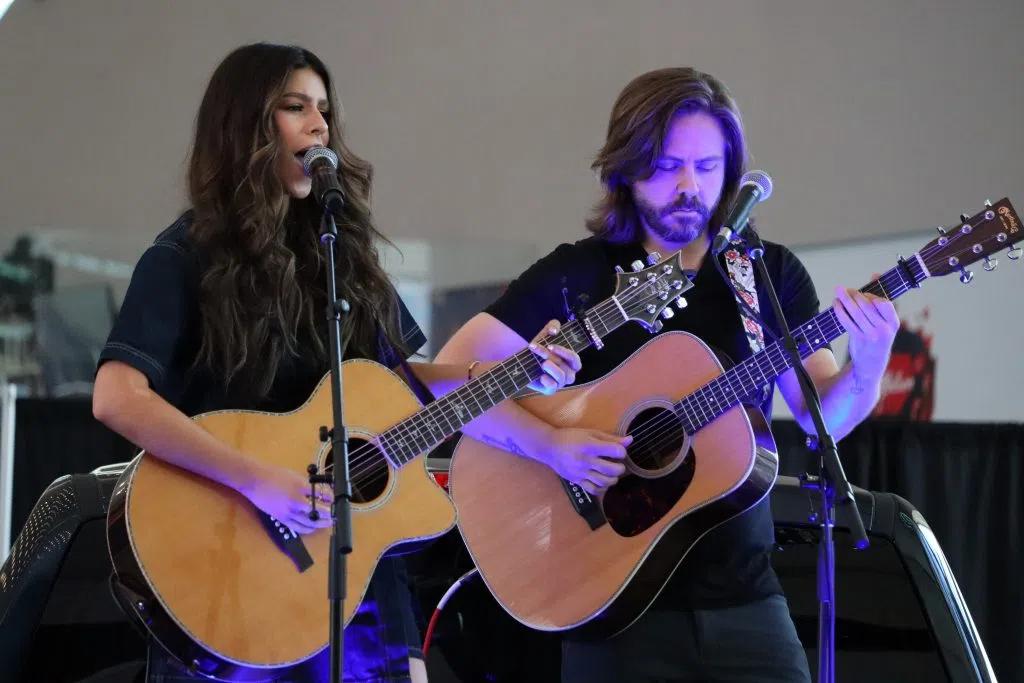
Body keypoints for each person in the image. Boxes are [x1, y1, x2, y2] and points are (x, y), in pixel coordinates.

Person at [91, 42, 586, 683]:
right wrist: (257, 479)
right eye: (295, 107)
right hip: (231, 568)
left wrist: (510, 372)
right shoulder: (185, 256)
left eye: (324, 109)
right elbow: (117, 396)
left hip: (358, 575)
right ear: (243, 124)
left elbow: (401, 384)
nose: (320, 125)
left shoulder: (340, 255)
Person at [435, 67, 900, 682]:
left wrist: (870, 362)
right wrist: (552, 445)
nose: (689, 187)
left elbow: (826, 423)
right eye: (667, 166)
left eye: (708, 168)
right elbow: (445, 379)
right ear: (626, 168)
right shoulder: (578, 275)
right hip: (611, 598)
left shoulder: (764, 273)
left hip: (746, 598)